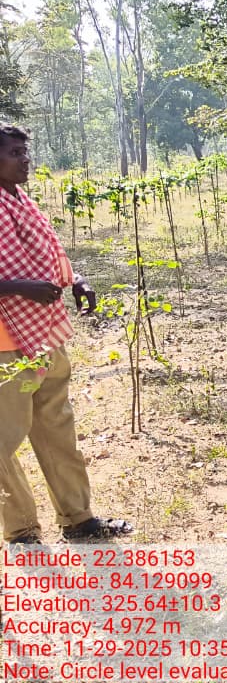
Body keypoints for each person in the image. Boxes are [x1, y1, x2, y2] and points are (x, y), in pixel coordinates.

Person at [0, 123, 133, 544]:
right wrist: (21, 287)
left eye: (25, 151)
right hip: (5, 347)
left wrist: (76, 280)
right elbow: (21, 274)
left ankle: (78, 518)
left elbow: (48, 254)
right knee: (3, 442)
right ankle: (21, 530)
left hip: (43, 335)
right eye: (15, 153)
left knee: (57, 430)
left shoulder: (21, 201)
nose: (25, 160)